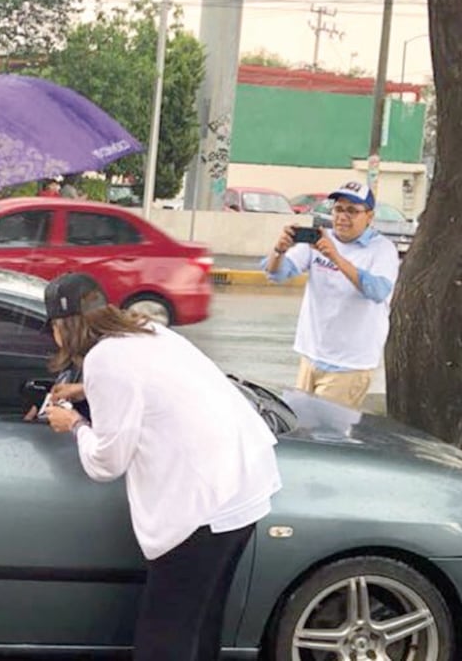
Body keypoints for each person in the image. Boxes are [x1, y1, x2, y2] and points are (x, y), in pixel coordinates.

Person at [42, 272, 281, 661]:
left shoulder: (104, 359)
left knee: (164, 639)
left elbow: (107, 462)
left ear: (61, 328)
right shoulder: (146, 330)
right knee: (200, 626)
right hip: (244, 484)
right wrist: (86, 390)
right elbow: (152, 384)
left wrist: (75, 425)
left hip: (202, 505)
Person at [262, 181, 400, 409]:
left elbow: (377, 290)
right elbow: (276, 274)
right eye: (338, 209)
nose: (343, 217)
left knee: (325, 434)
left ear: (369, 216)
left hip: (349, 364)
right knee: (301, 429)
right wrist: (279, 250)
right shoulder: (320, 241)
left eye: (352, 211)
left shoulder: (382, 249)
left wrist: (336, 258)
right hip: (311, 355)